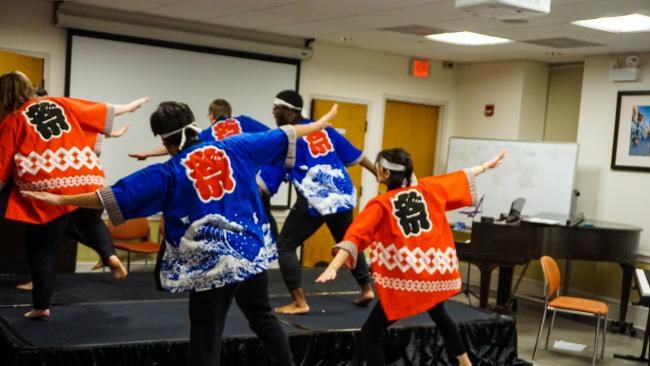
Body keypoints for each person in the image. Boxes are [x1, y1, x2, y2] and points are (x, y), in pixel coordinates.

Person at [23, 101, 338, 366]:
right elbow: (285, 133)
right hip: (249, 254)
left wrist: (62, 198)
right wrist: (321, 122)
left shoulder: (169, 172)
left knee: (206, 334)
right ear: (196, 127)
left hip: (212, 266)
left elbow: (112, 196)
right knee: (263, 318)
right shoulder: (237, 146)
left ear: (168, 142)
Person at [315, 147, 508, 366]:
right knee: (441, 316)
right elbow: (461, 176)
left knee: (369, 334)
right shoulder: (429, 188)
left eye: (378, 166)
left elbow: (355, 237)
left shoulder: (382, 204)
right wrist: (486, 166)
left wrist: (333, 266)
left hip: (407, 281)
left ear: (385, 174)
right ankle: (466, 364)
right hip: (433, 275)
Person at [0, 70, 147, 318]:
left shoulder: (13, 120)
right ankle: (109, 255)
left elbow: (2, 167)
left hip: (48, 188)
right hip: (88, 178)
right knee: (90, 222)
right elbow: (97, 111)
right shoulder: (58, 103)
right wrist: (129, 107)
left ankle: (41, 306)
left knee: (42, 249)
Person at [259, 90, 375, 315]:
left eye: (278, 108)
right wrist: (377, 173)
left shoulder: (286, 137)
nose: (273, 111)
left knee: (285, 246)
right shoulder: (323, 128)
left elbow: (264, 183)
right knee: (348, 242)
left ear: (291, 113)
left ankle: (299, 302)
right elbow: (357, 156)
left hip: (316, 199)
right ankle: (366, 289)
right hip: (342, 195)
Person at [15, 86, 131, 292]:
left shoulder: (26, 118)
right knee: (85, 225)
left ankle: (39, 290)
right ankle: (107, 254)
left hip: (54, 192)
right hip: (86, 185)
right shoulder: (63, 117)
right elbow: (86, 131)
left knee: (43, 245)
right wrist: (113, 132)